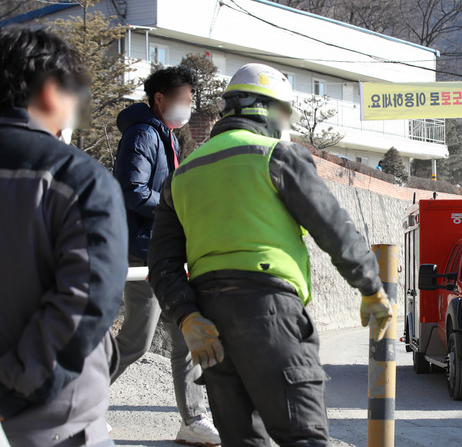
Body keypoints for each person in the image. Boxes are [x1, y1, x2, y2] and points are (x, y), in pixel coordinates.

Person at [148, 63, 393, 445]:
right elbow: (333, 227)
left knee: (244, 440)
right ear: (266, 109)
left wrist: (186, 317)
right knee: (303, 437)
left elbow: (161, 264)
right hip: (270, 311)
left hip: (207, 321)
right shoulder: (277, 155)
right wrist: (371, 288)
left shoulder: (181, 175)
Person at [0, 26, 127, 446]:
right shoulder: (77, 178)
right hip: (48, 420)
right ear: (50, 92)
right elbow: (85, 302)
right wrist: (6, 392)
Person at [112, 67, 220, 446]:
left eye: (190, 99)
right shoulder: (144, 133)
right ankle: (79, 399)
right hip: (143, 253)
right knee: (136, 341)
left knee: (185, 334)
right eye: (183, 99)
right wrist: (176, 208)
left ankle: (193, 420)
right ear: (160, 99)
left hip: (165, 252)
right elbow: (132, 190)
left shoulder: (165, 135)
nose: (187, 106)